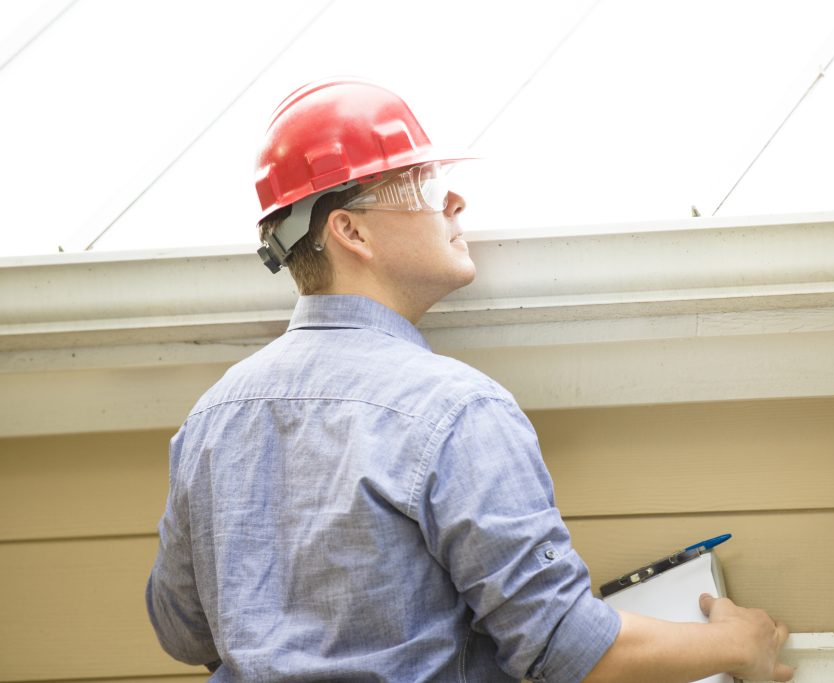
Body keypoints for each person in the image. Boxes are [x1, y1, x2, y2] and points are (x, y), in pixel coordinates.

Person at [146, 77, 793, 683]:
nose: (454, 200)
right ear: (349, 230)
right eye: (422, 183)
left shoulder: (210, 419)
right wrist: (740, 642)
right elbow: (563, 645)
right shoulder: (453, 410)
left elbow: (180, 629)